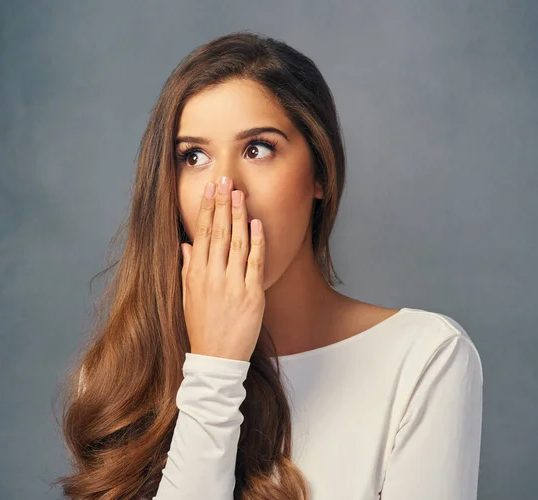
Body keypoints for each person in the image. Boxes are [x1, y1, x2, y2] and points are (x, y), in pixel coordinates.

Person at [53, 31, 483, 499]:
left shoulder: (425, 358)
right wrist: (214, 368)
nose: (225, 190)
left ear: (320, 171)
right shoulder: (117, 378)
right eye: (194, 157)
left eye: (257, 148)